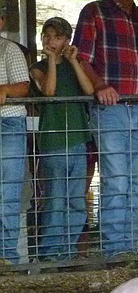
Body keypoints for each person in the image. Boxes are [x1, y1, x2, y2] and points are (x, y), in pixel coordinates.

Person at [72, 0, 138, 258]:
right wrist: (100, 85)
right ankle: (115, 249)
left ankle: (128, 244)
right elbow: (82, 58)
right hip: (110, 105)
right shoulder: (94, 11)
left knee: (136, 179)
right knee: (116, 178)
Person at [29, 17, 95, 261]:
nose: (51, 41)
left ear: (67, 40)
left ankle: (66, 252)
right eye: (47, 36)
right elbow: (49, 91)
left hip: (78, 139)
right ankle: (49, 255)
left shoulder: (74, 64)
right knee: (56, 201)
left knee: (76, 201)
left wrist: (73, 60)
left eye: (57, 37)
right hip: (53, 141)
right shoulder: (38, 67)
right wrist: (52, 62)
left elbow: (89, 90)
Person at [0, 1, 30, 265]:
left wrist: (4, 90)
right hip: (7, 126)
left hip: (7, 124)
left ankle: (7, 257)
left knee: (8, 193)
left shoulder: (9, 50)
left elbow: (23, 87)